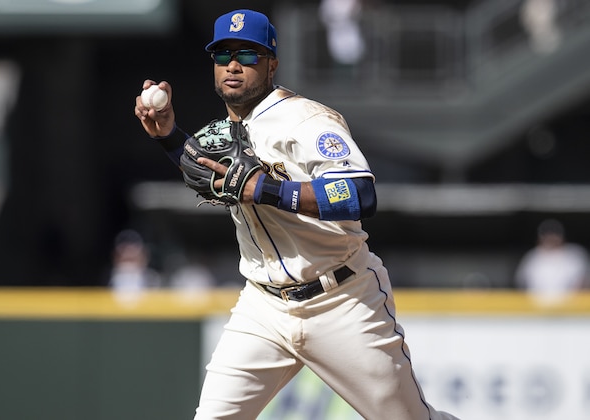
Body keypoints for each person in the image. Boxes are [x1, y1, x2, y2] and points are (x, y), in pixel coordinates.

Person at [134, 9, 459, 420]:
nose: (233, 65)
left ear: (272, 63)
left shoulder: (306, 120)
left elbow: (360, 193)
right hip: (263, 307)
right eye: (223, 55)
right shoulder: (228, 128)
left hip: (341, 300)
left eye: (248, 55)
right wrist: (167, 135)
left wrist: (269, 190)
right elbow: (205, 170)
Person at [515, 219, 589, 304]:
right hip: (537, 308)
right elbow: (521, 283)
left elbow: (584, 282)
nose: (551, 238)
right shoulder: (532, 256)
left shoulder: (574, 255)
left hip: (570, 308)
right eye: (547, 235)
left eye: (554, 235)